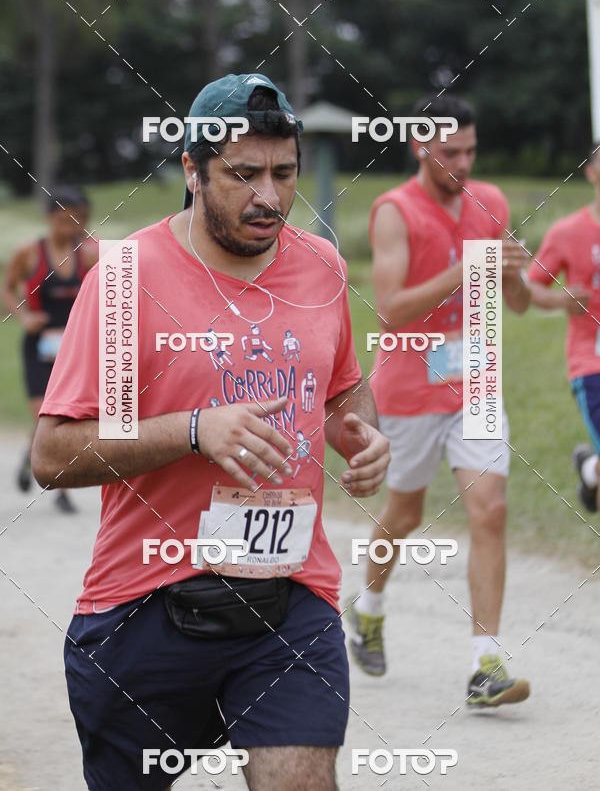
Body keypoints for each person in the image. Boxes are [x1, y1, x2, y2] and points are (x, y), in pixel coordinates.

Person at [31, 73, 390, 791]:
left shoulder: (321, 265)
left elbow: (343, 385)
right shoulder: (129, 277)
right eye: (243, 174)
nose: (269, 197)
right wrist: (195, 430)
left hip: (290, 602)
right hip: (145, 608)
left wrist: (363, 436)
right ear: (192, 170)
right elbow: (55, 453)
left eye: (284, 173)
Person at [347, 95, 532, 708]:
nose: (462, 163)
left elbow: (521, 305)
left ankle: (486, 665)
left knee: (490, 509)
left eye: (470, 151)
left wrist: (510, 274)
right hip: (408, 387)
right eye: (449, 152)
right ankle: (369, 606)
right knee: (403, 512)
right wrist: (467, 268)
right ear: (418, 147)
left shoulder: (494, 203)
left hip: (476, 379)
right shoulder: (394, 211)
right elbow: (393, 307)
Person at [2, 186, 96, 513]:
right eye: (62, 221)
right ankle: (47, 474)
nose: (69, 228)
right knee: (43, 415)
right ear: (49, 218)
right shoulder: (29, 252)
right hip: (38, 348)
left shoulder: (90, 253)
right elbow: (7, 285)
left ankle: (48, 477)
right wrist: (23, 315)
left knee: (65, 420)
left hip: (75, 349)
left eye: (77, 221)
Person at [528, 143, 600, 513]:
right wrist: (561, 300)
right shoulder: (567, 232)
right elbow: (529, 288)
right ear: (590, 171)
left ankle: (590, 468)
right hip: (592, 366)